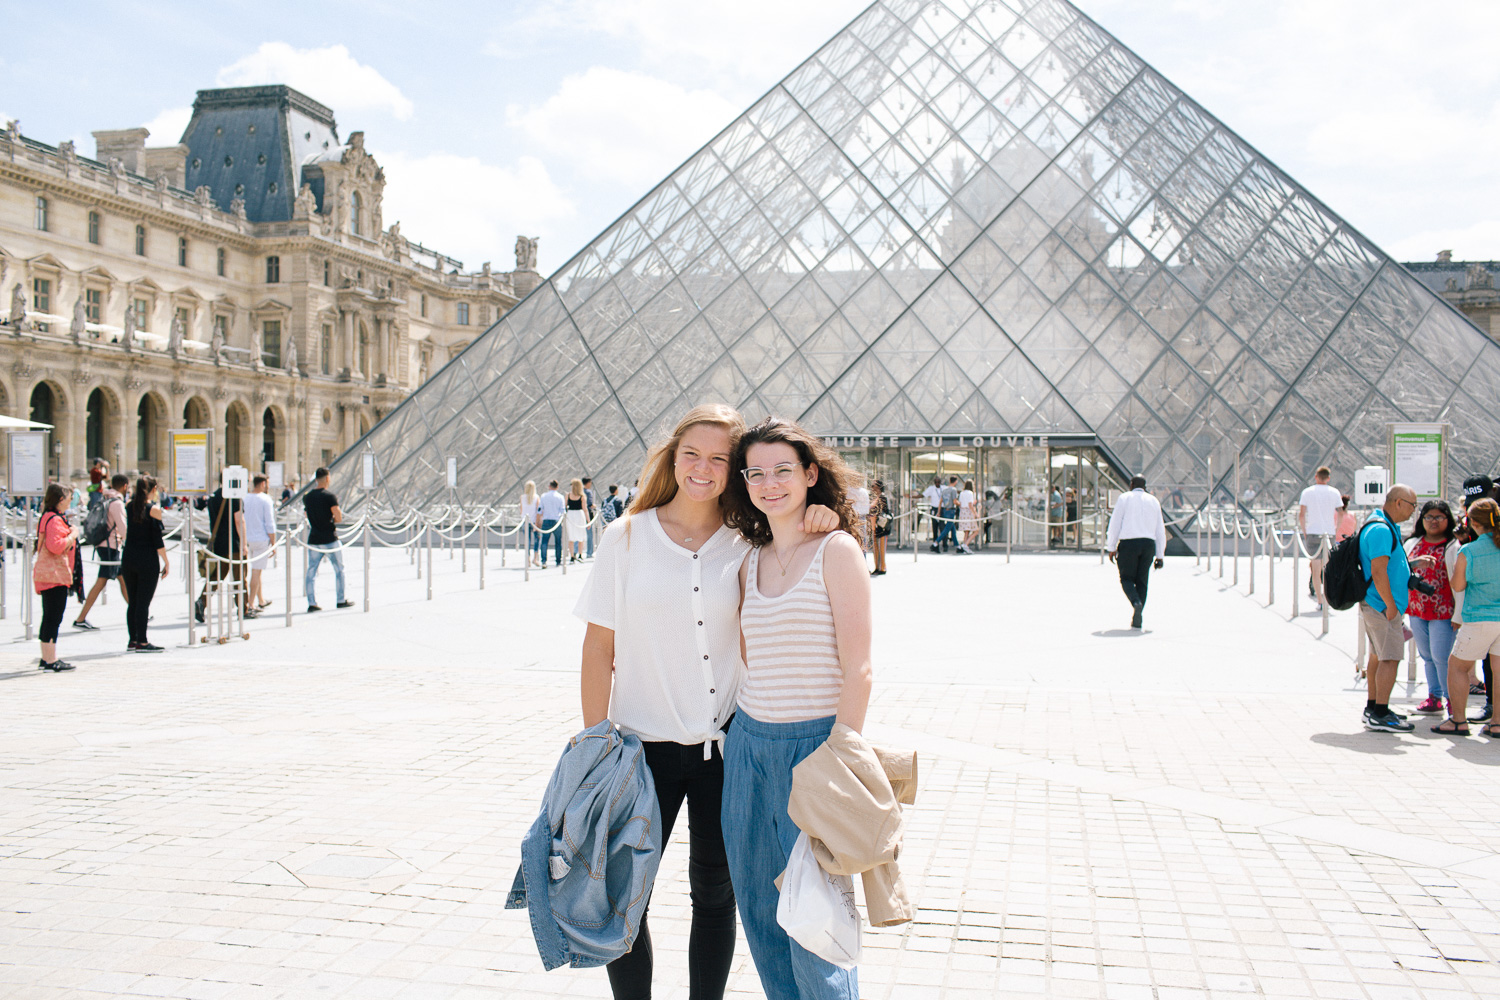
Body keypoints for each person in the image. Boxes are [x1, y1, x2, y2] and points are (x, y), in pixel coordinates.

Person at [574, 404, 838, 999]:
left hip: (727, 744)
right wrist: (596, 739)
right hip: (641, 748)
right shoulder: (626, 537)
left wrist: (819, 513)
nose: (704, 467)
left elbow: (802, 549)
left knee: (715, 896)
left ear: (734, 471)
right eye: (692, 453)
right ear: (672, 457)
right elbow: (598, 649)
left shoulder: (748, 541)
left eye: (721, 458)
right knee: (626, 896)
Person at [720, 416, 871, 1000]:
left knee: (817, 919)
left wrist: (842, 758)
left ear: (811, 475)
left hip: (816, 749)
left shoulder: (837, 551)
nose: (770, 483)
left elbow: (859, 667)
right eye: (756, 473)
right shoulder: (745, 560)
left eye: (784, 470)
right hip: (749, 748)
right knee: (760, 910)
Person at [1358, 484, 1432, 733]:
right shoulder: (1381, 529)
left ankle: (1375, 708)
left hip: (1378, 604)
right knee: (1390, 658)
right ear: (1398, 502)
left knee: (1378, 656)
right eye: (1413, 505)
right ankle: (1379, 712)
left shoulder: (1381, 524)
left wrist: (1410, 564)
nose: (1415, 512)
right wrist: (1391, 606)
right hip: (1381, 605)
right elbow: (1378, 571)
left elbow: (1384, 565)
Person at [1435, 498, 1500, 737]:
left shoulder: (1469, 550)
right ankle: (1497, 724)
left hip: (1479, 618)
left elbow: (1458, 585)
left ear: (1473, 522)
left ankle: (1458, 721)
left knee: (1457, 667)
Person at [1405, 501, 1459, 715]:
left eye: (1439, 517)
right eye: (1429, 517)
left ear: (1448, 520)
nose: (1433, 521)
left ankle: (1452, 700)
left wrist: (1460, 613)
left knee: (1441, 657)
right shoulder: (1412, 543)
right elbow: (1399, 569)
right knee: (1427, 656)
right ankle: (1434, 697)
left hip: (1443, 612)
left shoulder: (1453, 546)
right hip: (1417, 609)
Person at [1106, 475, 1167, 630]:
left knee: (1126, 578)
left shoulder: (1124, 498)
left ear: (1131, 485)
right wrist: (1160, 555)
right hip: (1148, 544)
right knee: (1142, 580)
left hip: (1129, 543)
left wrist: (1111, 547)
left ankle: (1135, 602)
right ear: (1145, 486)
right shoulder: (1154, 501)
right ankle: (1137, 614)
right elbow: (1160, 530)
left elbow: (1115, 524)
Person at [72, 473, 130, 630]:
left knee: (122, 579)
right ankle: (81, 618)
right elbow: (123, 527)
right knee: (101, 581)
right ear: (125, 486)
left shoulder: (105, 498)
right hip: (110, 546)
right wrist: (130, 543)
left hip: (103, 544)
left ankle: (138, 611)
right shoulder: (117, 503)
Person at [34, 483, 81, 672]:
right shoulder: (54, 520)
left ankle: (46, 657)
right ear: (60, 499)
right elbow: (56, 546)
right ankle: (51, 660)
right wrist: (73, 534)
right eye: (69, 498)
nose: (71, 501)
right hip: (54, 576)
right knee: (54, 618)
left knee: (49, 617)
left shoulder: (47, 516)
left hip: (48, 575)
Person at [120, 476, 169, 652]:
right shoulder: (153, 509)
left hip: (129, 557)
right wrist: (166, 561)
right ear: (153, 489)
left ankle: (133, 640)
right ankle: (142, 641)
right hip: (147, 559)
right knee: (143, 602)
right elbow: (158, 540)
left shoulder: (128, 506)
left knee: (133, 601)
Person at [196, 485, 254, 621]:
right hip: (234, 543)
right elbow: (239, 520)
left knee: (217, 576)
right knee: (240, 576)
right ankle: (243, 608)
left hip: (219, 543)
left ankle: (201, 601)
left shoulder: (214, 497)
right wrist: (244, 544)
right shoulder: (235, 497)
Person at [303, 467, 353, 612]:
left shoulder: (307, 497)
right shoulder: (330, 496)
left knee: (311, 572)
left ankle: (312, 603)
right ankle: (340, 599)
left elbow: (306, 515)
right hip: (330, 538)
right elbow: (338, 517)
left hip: (314, 538)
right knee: (339, 570)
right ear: (326, 478)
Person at [1298, 466, 1343, 607]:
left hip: (1313, 532)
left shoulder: (1307, 492)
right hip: (1329, 533)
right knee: (1327, 569)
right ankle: (1328, 597)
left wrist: (1305, 531)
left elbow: (1301, 515)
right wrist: (1336, 529)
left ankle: (1319, 600)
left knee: (1315, 570)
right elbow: (1341, 513)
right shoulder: (1335, 492)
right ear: (1328, 478)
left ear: (1316, 477)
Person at [244, 474, 278, 611]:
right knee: (256, 572)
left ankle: (261, 599)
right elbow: (269, 523)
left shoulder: (245, 497)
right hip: (261, 539)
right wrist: (273, 543)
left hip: (247, 539)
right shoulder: (265, 499)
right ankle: (251, 604)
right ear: (263, 484)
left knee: (257, 571)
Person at [537, 480, 566, 567]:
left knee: (544, 541)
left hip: (546, 521)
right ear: (557, 487)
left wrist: (538, 521)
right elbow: (563, 511)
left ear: (549, 486)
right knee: (558, 542)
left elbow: (540, 510)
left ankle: (544, 561)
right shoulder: (560, 497)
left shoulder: (544, 496)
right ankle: (558, 561)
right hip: (556, 521)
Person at [565, 478, 588, 563]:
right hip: (579, 515)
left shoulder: (568, 495)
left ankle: (572, 556)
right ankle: (580, 554)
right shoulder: (582, 496)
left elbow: (565, 507)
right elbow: (585, 509)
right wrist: (588, 521)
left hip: (570, 515)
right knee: (580, 535)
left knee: (571, 536)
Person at [870, 479, 890, 576]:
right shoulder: (873, 497)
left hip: (881, 526)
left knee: (881, 547)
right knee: (875, 547)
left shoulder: (882, 497)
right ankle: (877, 567)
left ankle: (882, 567)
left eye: (873, 486)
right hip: (874, 525)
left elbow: (885, 511)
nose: (872, 488)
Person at [520, 480, 541, 568]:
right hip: (533, 521)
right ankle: (535, 558)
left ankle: (528, 559)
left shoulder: (522, 497)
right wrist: (537, 523)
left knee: (527, 541)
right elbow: (538, 511)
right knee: (537, 539)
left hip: (525, 521)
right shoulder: (536, 497)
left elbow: (521, 509)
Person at [937, 475, 959, 553]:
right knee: (947, 529)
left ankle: (957, 545)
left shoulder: (945, 490)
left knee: (952, 529)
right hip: (951, 511)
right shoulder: (953, 490)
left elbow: (940, 502)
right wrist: (962, 504)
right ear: (956, 481)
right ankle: (936, 543)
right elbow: (954, 501)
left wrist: (939, 512)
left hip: (945, 510)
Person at [958, 478, 978, 554]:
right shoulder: (970, 493)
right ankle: (965, 545)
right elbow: (970, 504)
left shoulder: (962, 493)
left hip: (963, 512)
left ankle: (964, 546)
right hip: (968, 512)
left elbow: (960, 503)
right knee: (976, 530)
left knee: (966, 531)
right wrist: (975, 513)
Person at [922, 476, 941, 552]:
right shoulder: (931, 489)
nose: (937, 483)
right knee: (935, 528)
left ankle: (943, 544)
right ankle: (935, 544)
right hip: (935, 509)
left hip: (942, 509)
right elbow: (923, 495)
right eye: (936, 482)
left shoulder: (943, 488)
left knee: (943, 528)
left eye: (938, 482)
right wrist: (910, 496)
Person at [582, 477, 598, 559]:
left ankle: (576, 552)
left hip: (579, 516)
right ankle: (589, 552)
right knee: (589, 534)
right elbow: (590, 504)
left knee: (579, 534)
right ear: (588, 483)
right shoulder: (588, 492)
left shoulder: (579, 491)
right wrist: (594, 506)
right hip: (588, 515)